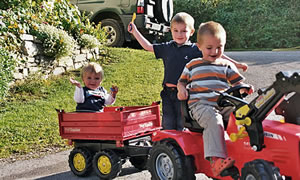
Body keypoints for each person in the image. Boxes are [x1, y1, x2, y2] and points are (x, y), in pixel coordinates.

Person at [128, 12, 248, 131]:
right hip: (168, 93)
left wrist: (236, 64)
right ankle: (169, 146)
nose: (179, 34)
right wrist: (135, 31)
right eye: (176, 30)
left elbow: (218, 55)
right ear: (171, 31)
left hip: (186, 95)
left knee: (182, 123)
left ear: (191, 32)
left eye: (184, 31)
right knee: (168, 123)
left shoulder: (196, 48)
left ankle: (182, 148)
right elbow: (148, 46)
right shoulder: (167, 47)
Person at [177, 21, 253, 176]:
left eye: (219, 47)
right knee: (214, 120)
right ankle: (216, 160)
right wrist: (181, 89)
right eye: (209, 48)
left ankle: (249, 149)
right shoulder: (193, 65)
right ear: (199, 46)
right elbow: (181, 81)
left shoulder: (226, 65)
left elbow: (238, 83)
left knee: (244, 115)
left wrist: (245, 87)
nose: (215, 51)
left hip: (223, 104)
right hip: (201, 105)